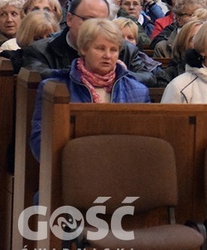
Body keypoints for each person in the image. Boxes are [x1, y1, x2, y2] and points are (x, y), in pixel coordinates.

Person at [30, 18, 151, 160]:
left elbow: (143, 142)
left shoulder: (138, 91)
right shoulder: (55, 87)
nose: (107, 55)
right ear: (83, 49)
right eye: (100, 48)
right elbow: (39, 138)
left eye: (113, 50)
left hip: (121, 168)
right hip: (71, 167)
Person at [22, 0, 157, 86]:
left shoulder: (124, 49)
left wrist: (120, 74)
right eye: (88, 20)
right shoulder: (40, 50)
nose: (94, 26)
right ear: (69, 19)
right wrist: (85, 72)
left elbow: (148, 78)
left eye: (101, 21)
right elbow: (38, 77)